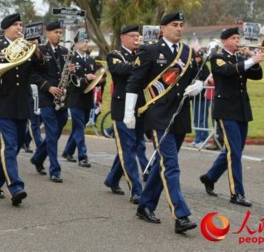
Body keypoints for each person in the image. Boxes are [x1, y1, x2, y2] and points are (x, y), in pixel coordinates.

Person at [125, 12, 202, 234]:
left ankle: (145, 205)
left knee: (162, 162)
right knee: (171, 165)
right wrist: (129, 113)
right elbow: (134, 82)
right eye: (174, 25)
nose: (179, 28)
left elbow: (197, 75)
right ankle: (180, 215)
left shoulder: (186, 52)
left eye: (181, 25)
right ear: (163, 29)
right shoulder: (149, 51)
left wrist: (198, 86)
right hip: (158, 116)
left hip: (179, 115)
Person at [0, 13, 44, 205]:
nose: (19, 28)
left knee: (15, 146)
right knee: (8, 145)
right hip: (1, 103)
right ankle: (15, 187)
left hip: (21, 103)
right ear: (6, 27)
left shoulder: (27, 47)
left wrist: (38, 53)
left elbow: (39, 70)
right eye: (16, 25)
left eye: (21, 25)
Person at [200, 27, 264, 208]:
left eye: (238, 37)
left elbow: (257, 75)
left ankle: (209, 177)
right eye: (234, 38)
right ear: (224, 41)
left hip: (241, 109)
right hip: (225, 109)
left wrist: (254, 59)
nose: (237, 40)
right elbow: (228, 72)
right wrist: (251, 59)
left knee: (235, 149)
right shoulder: (217, 58)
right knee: (235, 152)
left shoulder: (241, 58)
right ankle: (237, 193)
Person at [104, 24, 146, 203]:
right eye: (133, 36)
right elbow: (120, 70)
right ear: (123, 37)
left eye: (138, 35)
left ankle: (112, 178)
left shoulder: (142, 55)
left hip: (140, 107)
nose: (137, 39)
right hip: (122, 108)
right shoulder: (115, 55)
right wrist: (143, 61)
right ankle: (136, 189)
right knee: (128, 148)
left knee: (131, 146)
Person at [30, 21, 72, 183]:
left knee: (56, 132)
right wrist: (48, 87)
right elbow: (33, 74)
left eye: (60, 32)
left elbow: (67, 74)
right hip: (47, 98)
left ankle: (37, 158)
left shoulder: (64, 51)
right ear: (47, 33)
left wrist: (71, 71)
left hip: (62, 98)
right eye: (55, 32)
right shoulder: (39, 50)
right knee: (52, 133)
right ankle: (54, 170)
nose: (59, 35)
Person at [62, 31, 97, 167]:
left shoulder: (90, 60)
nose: (86, 44)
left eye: (87, 41)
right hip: (75, 97)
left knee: (79, 126)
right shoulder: (70, 59)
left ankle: (68, 151)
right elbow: (70, 79)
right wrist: (85, 78)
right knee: (79, 128)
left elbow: (97, 75)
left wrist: (98, 78)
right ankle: (82, 156)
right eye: (83, 41)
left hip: (87, 98)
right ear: (76, 43)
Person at [192, 50, 211, 147]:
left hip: (203, 97)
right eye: (195, 57)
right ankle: (197, 138)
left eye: (198, 57)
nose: (196, 59)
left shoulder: (204, 68)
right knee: (196, 118)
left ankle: (204, 139)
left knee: (202, 118)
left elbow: (206, 79)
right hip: (195, 97)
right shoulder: (194, 67)